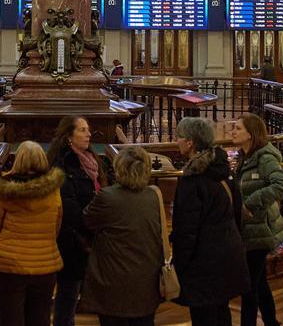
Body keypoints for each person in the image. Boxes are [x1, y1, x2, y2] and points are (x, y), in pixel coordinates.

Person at [171, 116, 249, 325]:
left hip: (203, 262)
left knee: (204, 317)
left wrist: (180, 264)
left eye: (179, 137)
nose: (176, 141)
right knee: (222, 313)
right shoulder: (224, 170)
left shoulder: (193, 180)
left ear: (190, 142)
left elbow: (187, 229)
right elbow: (237, 211)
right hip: (228, 253)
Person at [0, 141, 64, 326]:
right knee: (40, 318)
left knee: (10, 319)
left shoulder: (4, 190)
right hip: (44, 265)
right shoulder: (54, 191)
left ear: (18, 160)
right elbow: (56, 226)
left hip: (9, 265)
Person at [82, 145, 164, 326]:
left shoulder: (107, 196)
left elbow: (87, 220)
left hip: (113, 280)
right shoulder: (153, 195)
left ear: (119, 168)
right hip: (146, 278)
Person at [46, 115, 110, 326]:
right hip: (73, 238)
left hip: (93, 235)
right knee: (68, 292)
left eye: (88, 129)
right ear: (68, 137)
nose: (89, 134)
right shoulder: (62, 166)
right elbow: (69, 207)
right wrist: (91, 223)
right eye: (82, 130)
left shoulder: (90, 159)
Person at [232, 114, 283, 326]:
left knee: (249, 287)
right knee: (259, 282)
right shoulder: (246, 156)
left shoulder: (264, 158)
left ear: (251, 133)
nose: (233, 131)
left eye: (238, 128)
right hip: (253, 230)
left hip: (261, 231)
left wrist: (251, 202)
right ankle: (271, 322)